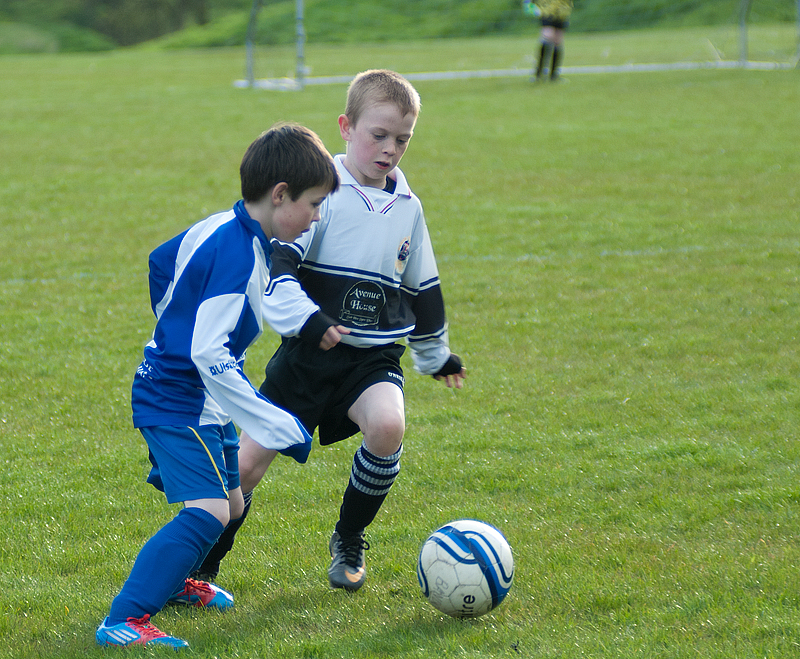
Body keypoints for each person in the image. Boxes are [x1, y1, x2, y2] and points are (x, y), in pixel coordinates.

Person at [193, 69, 466, 593]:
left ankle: (349, 537)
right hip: (306, 357)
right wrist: (309, 320)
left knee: (388, 427)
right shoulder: (321, 195)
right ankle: (202, 566)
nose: (390, 149)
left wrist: (436, 356)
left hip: (371, 359)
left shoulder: (409, 208)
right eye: (378, 135)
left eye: (402, 140)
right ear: (345, 126)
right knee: (245, 468)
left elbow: (423, 285)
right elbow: (279, 270)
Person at [95, 123, 339, 649]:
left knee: (230, 502)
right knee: (207, 512)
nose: (317, 216)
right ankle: (127, 617)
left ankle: (177, 583)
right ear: (280, 196)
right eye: (315, 204)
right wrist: (270, 420)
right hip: (180, 400)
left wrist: (170, 326)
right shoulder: (236, 254)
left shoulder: (225, 228)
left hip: (192, 394)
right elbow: (208, 352)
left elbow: (163, 260)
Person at [524, 0, 574, 81]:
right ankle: (538, 73)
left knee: (557, 41)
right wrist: (531, 7)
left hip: (562, 11)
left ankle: (554, 75)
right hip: (546, 10)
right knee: (548, 35)